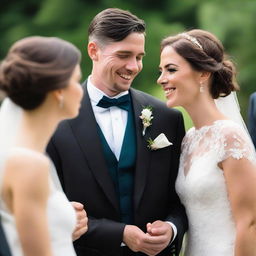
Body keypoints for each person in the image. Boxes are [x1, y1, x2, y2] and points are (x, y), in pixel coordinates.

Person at [47, 8, 188, 256]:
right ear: (94, 51)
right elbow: (43, 208)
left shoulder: (167, 117)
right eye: (124, 55)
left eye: (139, 56)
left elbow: (183, 198)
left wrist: (172, 228)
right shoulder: (53, 120)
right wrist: (119, 234)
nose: (133, 67)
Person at [157, 29, 256, 256]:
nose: (161, 79)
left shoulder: (230, 137)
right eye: (161, 71)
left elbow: (249, 223)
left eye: (171, 69)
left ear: (202, 74)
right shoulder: (189, 138)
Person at [0, 36, 88, 256]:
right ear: (59, 90)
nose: (81, 90)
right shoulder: (30, 164)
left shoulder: (24, 157)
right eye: (76, 81)